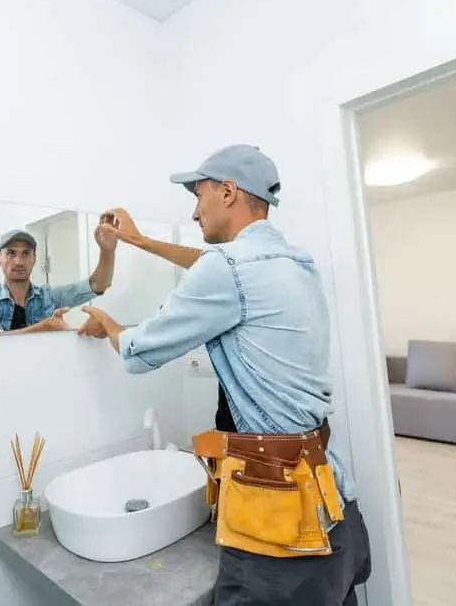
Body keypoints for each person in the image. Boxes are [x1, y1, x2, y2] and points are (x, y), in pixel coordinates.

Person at [77, 144, 372, 605]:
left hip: (278, 521)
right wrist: (140, 242)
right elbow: (217, 267)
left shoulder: (229, 268)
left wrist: (108, 326)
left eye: (199, 195)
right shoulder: (296, 263)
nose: (195, 212)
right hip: (329, 499)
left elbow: (138, 351)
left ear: (229, 192)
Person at [0, 224, 117, 336]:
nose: (19, 261)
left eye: (25, 254)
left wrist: (107, 251)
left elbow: (98, 284)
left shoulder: (49, 297)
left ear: (34, 259)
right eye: (11, 253)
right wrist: (44, 327)